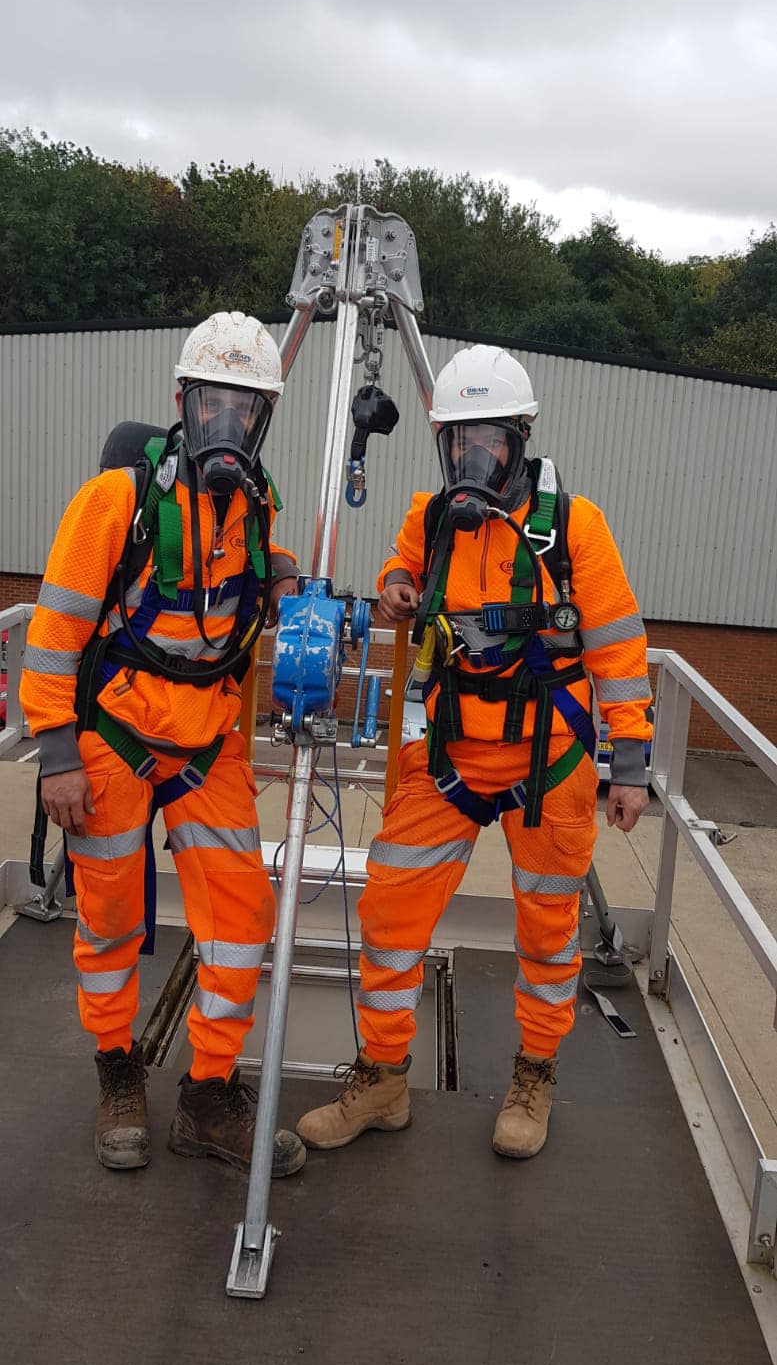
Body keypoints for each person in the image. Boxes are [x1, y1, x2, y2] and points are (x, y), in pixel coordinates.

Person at [297, 344, 651, 1160]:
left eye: (488, 440)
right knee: (387, 912)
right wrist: (393, 585)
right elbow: (401, 570)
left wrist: (626, 766)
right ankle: (383, 1078)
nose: (472, 457)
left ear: (519, 440)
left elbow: (620, 651)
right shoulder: (429, 519)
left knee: (547, 928)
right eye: (458, 441)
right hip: (449, 756)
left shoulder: (572, 528)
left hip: (547, 761)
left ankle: (534, 1075)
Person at [20, 312, 305, 1178]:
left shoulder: (252, 505)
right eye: (212, 403)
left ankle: (209, 1094)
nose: (229, 424)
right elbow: (52, 633)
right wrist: (58, 753)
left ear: (261, 419)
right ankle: (118, 1073)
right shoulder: (116, 502)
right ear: (182, 402)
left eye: (245, 409)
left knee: (241, 916)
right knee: (109, 924)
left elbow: (236, 577)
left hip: (208, 746)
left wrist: (285, 571)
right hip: (111, 744)